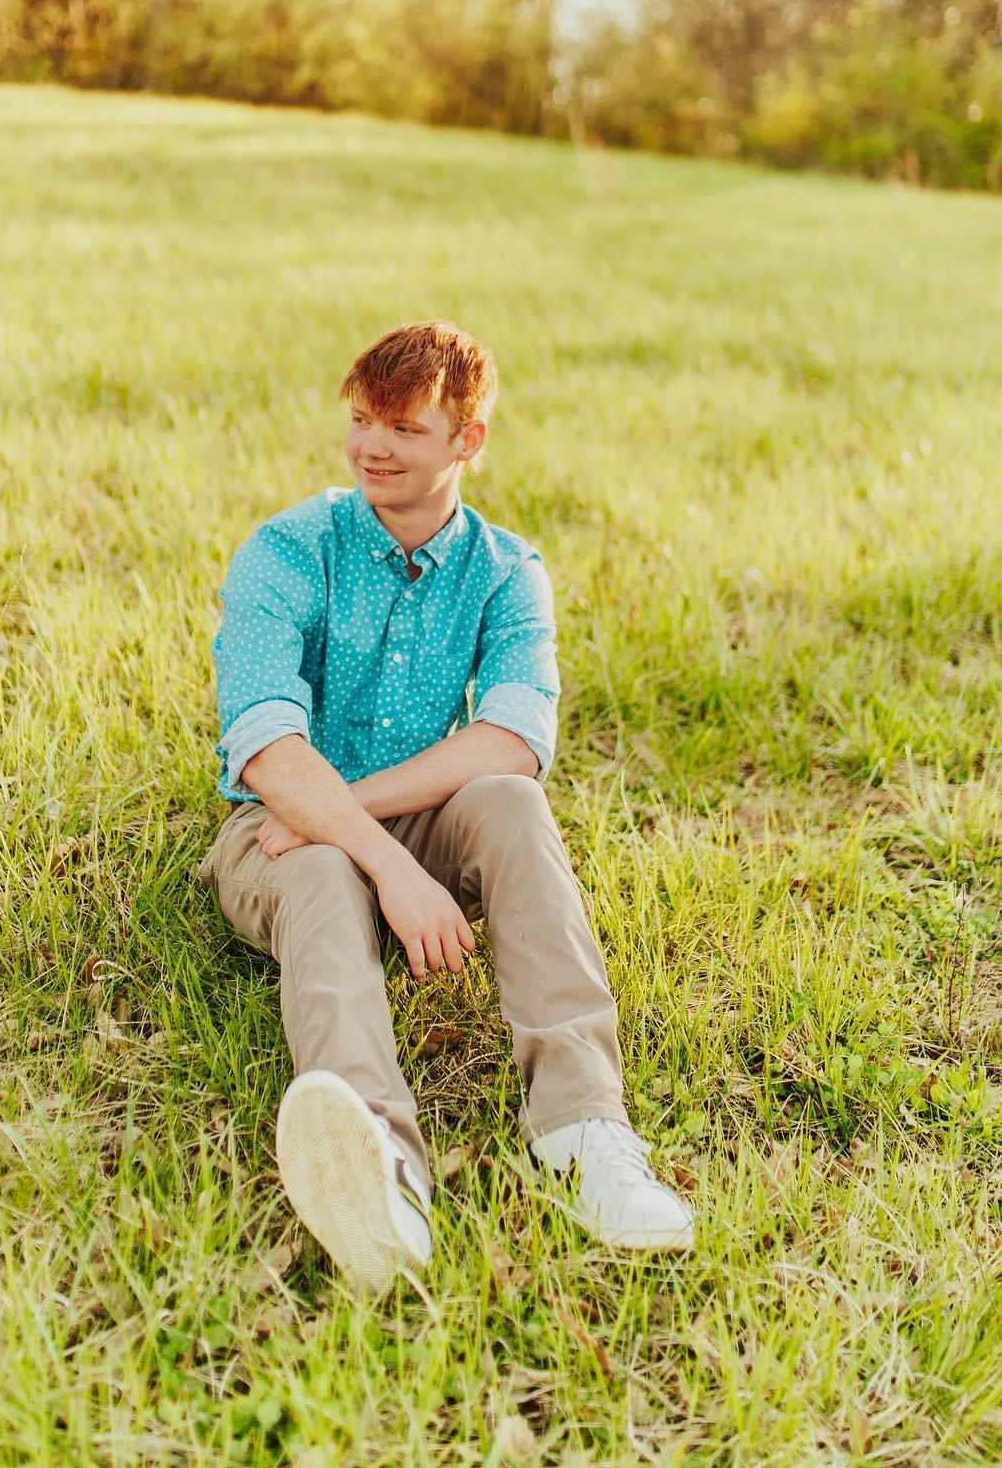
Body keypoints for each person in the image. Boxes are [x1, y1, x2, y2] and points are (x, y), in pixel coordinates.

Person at [199, 321, 693, 1294]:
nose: (370, 447)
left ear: (467, 441)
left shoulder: (509, 572)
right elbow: (265, 748)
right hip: (279, 837)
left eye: (402, 429)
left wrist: (377, 825)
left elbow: (513, 739)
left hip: (397, 815)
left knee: (506, 800)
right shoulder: (288, 550)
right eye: (359, 421)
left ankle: (584, 1130)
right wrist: (382, 860)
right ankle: (378, 1168)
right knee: (326, 865)